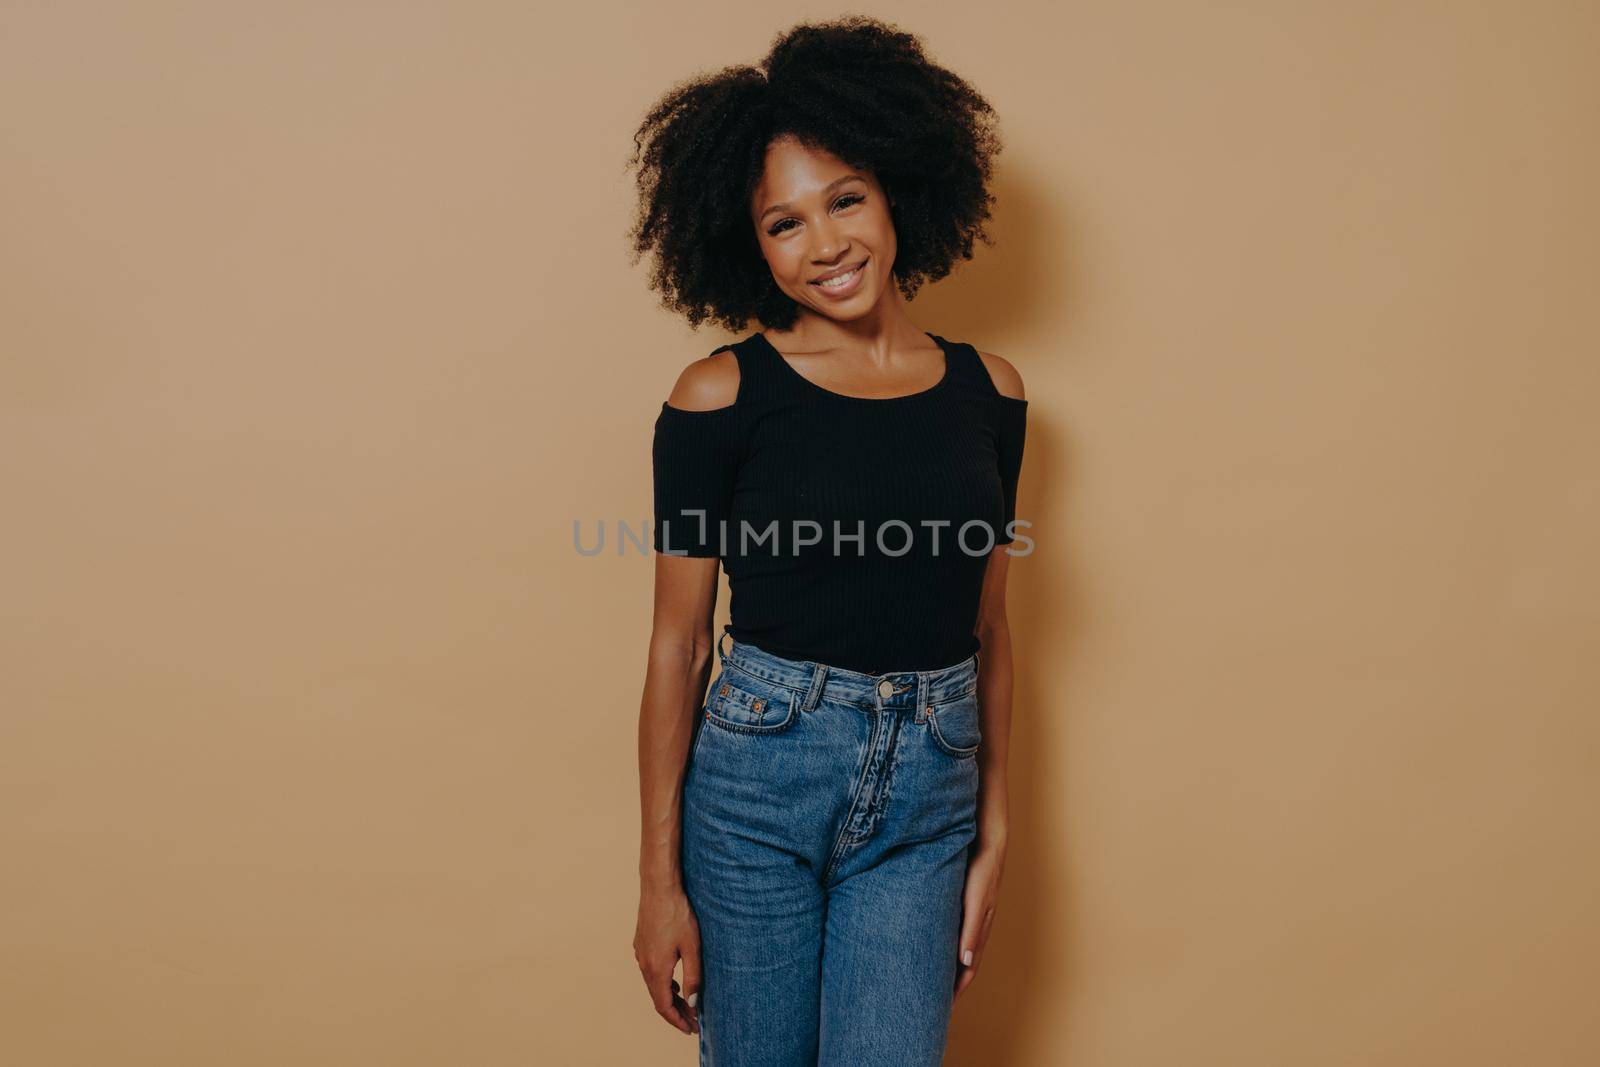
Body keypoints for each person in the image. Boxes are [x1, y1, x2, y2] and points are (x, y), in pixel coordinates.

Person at [626, 16, 1028, 1065]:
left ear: (897, 186)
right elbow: (676, 646)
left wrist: (996, 833)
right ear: (745, 243)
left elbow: (991, 626)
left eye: (843, 198)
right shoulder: (717, 395)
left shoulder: (991, 391)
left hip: (927, 795)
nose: (826, 243)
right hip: (758, 780)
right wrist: (657, 882)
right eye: (783, 223)